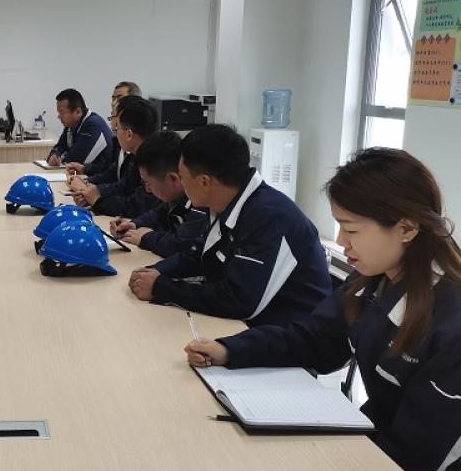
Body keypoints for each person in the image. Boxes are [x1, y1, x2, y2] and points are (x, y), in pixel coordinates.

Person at [184, 148, 461, 471]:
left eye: (351, 229)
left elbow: (422, 454)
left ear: (407, 228)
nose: (342, 242)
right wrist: (230, 350)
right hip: (376, 458)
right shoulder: (373, 282)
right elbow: (315, 339)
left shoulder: (451, 319)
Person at [128, 124, 330, 327]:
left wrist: (162, 288)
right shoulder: (225, 201)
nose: (180, 183)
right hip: (250, 326)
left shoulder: (269, 217)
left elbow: (239, 300)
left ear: (205, 182)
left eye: (182, 177)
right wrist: (155, 272)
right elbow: (200, 254)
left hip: (287, 333)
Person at [110, 130, 208, 258]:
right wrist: (134, 224)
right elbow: (157, 214)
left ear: (173, 179)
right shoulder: (174, 197)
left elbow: (182, 244)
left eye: (148, 183)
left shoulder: (200, 202)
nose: (147, 189)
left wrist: (147, 238)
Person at [69, 96, 159, 218]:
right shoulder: (138, 154)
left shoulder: (153, 160)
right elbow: (124, 186)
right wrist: (93, 193)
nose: (115, 132)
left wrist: (97, 201)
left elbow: (135, 205)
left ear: (129, 134)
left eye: (117, 128)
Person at [68, 81, 141, 178]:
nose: (114, 102)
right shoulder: (118, 140)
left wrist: (90, 185)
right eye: (113, 98)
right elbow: (109, 170)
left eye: (119, 98)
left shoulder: (138, 144)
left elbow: (125, 184)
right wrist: (85, 172)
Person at [45, 88, 112, 167]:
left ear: (78, 112)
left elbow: (76, 159)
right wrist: (54, 155)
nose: (59, 116)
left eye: (62, 112)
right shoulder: (71, 124)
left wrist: (60, 159)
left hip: (100, 173)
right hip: (81, 172)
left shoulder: (93, 125)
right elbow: (60, 146)